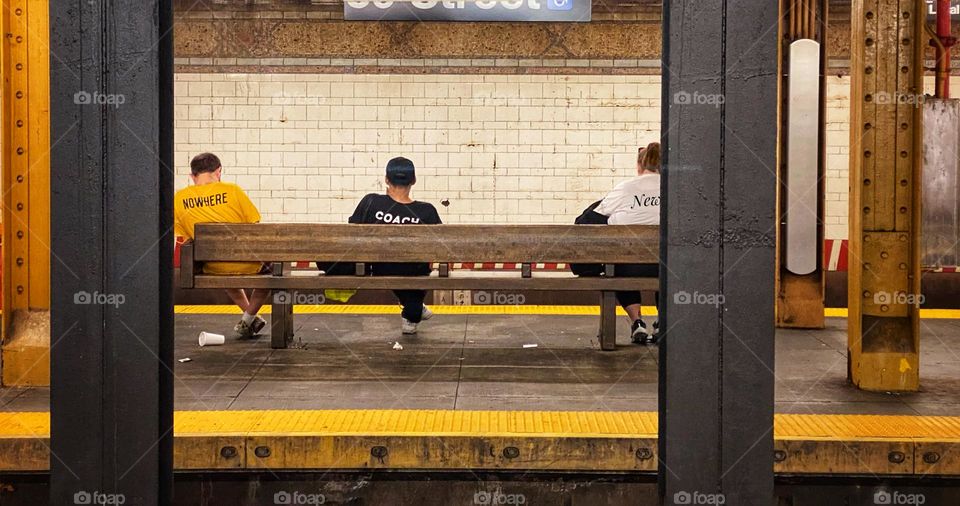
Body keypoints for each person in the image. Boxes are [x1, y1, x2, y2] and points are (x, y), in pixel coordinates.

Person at [322, 157, 442, 335]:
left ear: (386, 179)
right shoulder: (427, 211)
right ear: (414, 181)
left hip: (377, 268)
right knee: (411, 269)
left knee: (392, 265)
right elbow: (440, 246)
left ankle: (414, 309)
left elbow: (352, 234)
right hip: (414, 271)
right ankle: (413, 309)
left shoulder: (371, 202)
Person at [174, 152, 271, 339]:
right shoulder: (233, 190)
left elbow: (185, 237)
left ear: (193, 176)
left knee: (225, 271)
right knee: (275, 273)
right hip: (247, 263)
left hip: (212, 265)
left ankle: (251, 320)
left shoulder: (180, 198)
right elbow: (254, 224)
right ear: (218, 171)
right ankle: (249, 317)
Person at [594, 142, 661, 344]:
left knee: (618, 263)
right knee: (668, 263)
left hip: (629, 267)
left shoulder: (626, 188)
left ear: (639, 165)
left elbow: (591, 218)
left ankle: (637, 322)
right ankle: (663, 321)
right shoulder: (676, 190)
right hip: (667, 268)